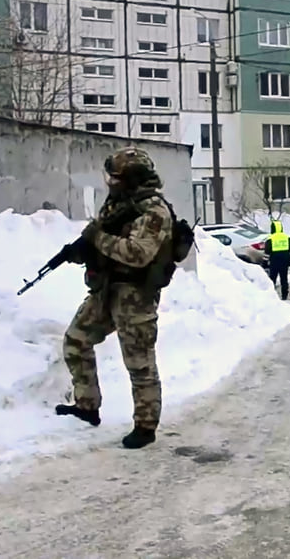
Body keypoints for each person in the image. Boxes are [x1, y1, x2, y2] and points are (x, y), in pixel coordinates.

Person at [54, 147, 173, 450]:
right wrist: (81, 250)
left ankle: (145, 426)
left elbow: (138, 253)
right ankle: (87, 405)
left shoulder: (154, 211)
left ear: (131, 178)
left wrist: (98, 239)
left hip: (136, 296)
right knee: (76, 340)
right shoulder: (120, 203)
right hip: (107, 290)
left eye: (116, 177)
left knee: (139, 363)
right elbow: (102, 235)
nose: (110, 182)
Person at [265, 219, 290, 299]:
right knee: (284, 279)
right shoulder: (287, 238)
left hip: (274, 262)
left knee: (272, 279)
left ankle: (271, 295)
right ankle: (284, 295)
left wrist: (265, 262)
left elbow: (267, 252)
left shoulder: (270, 239)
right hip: (284, 262)